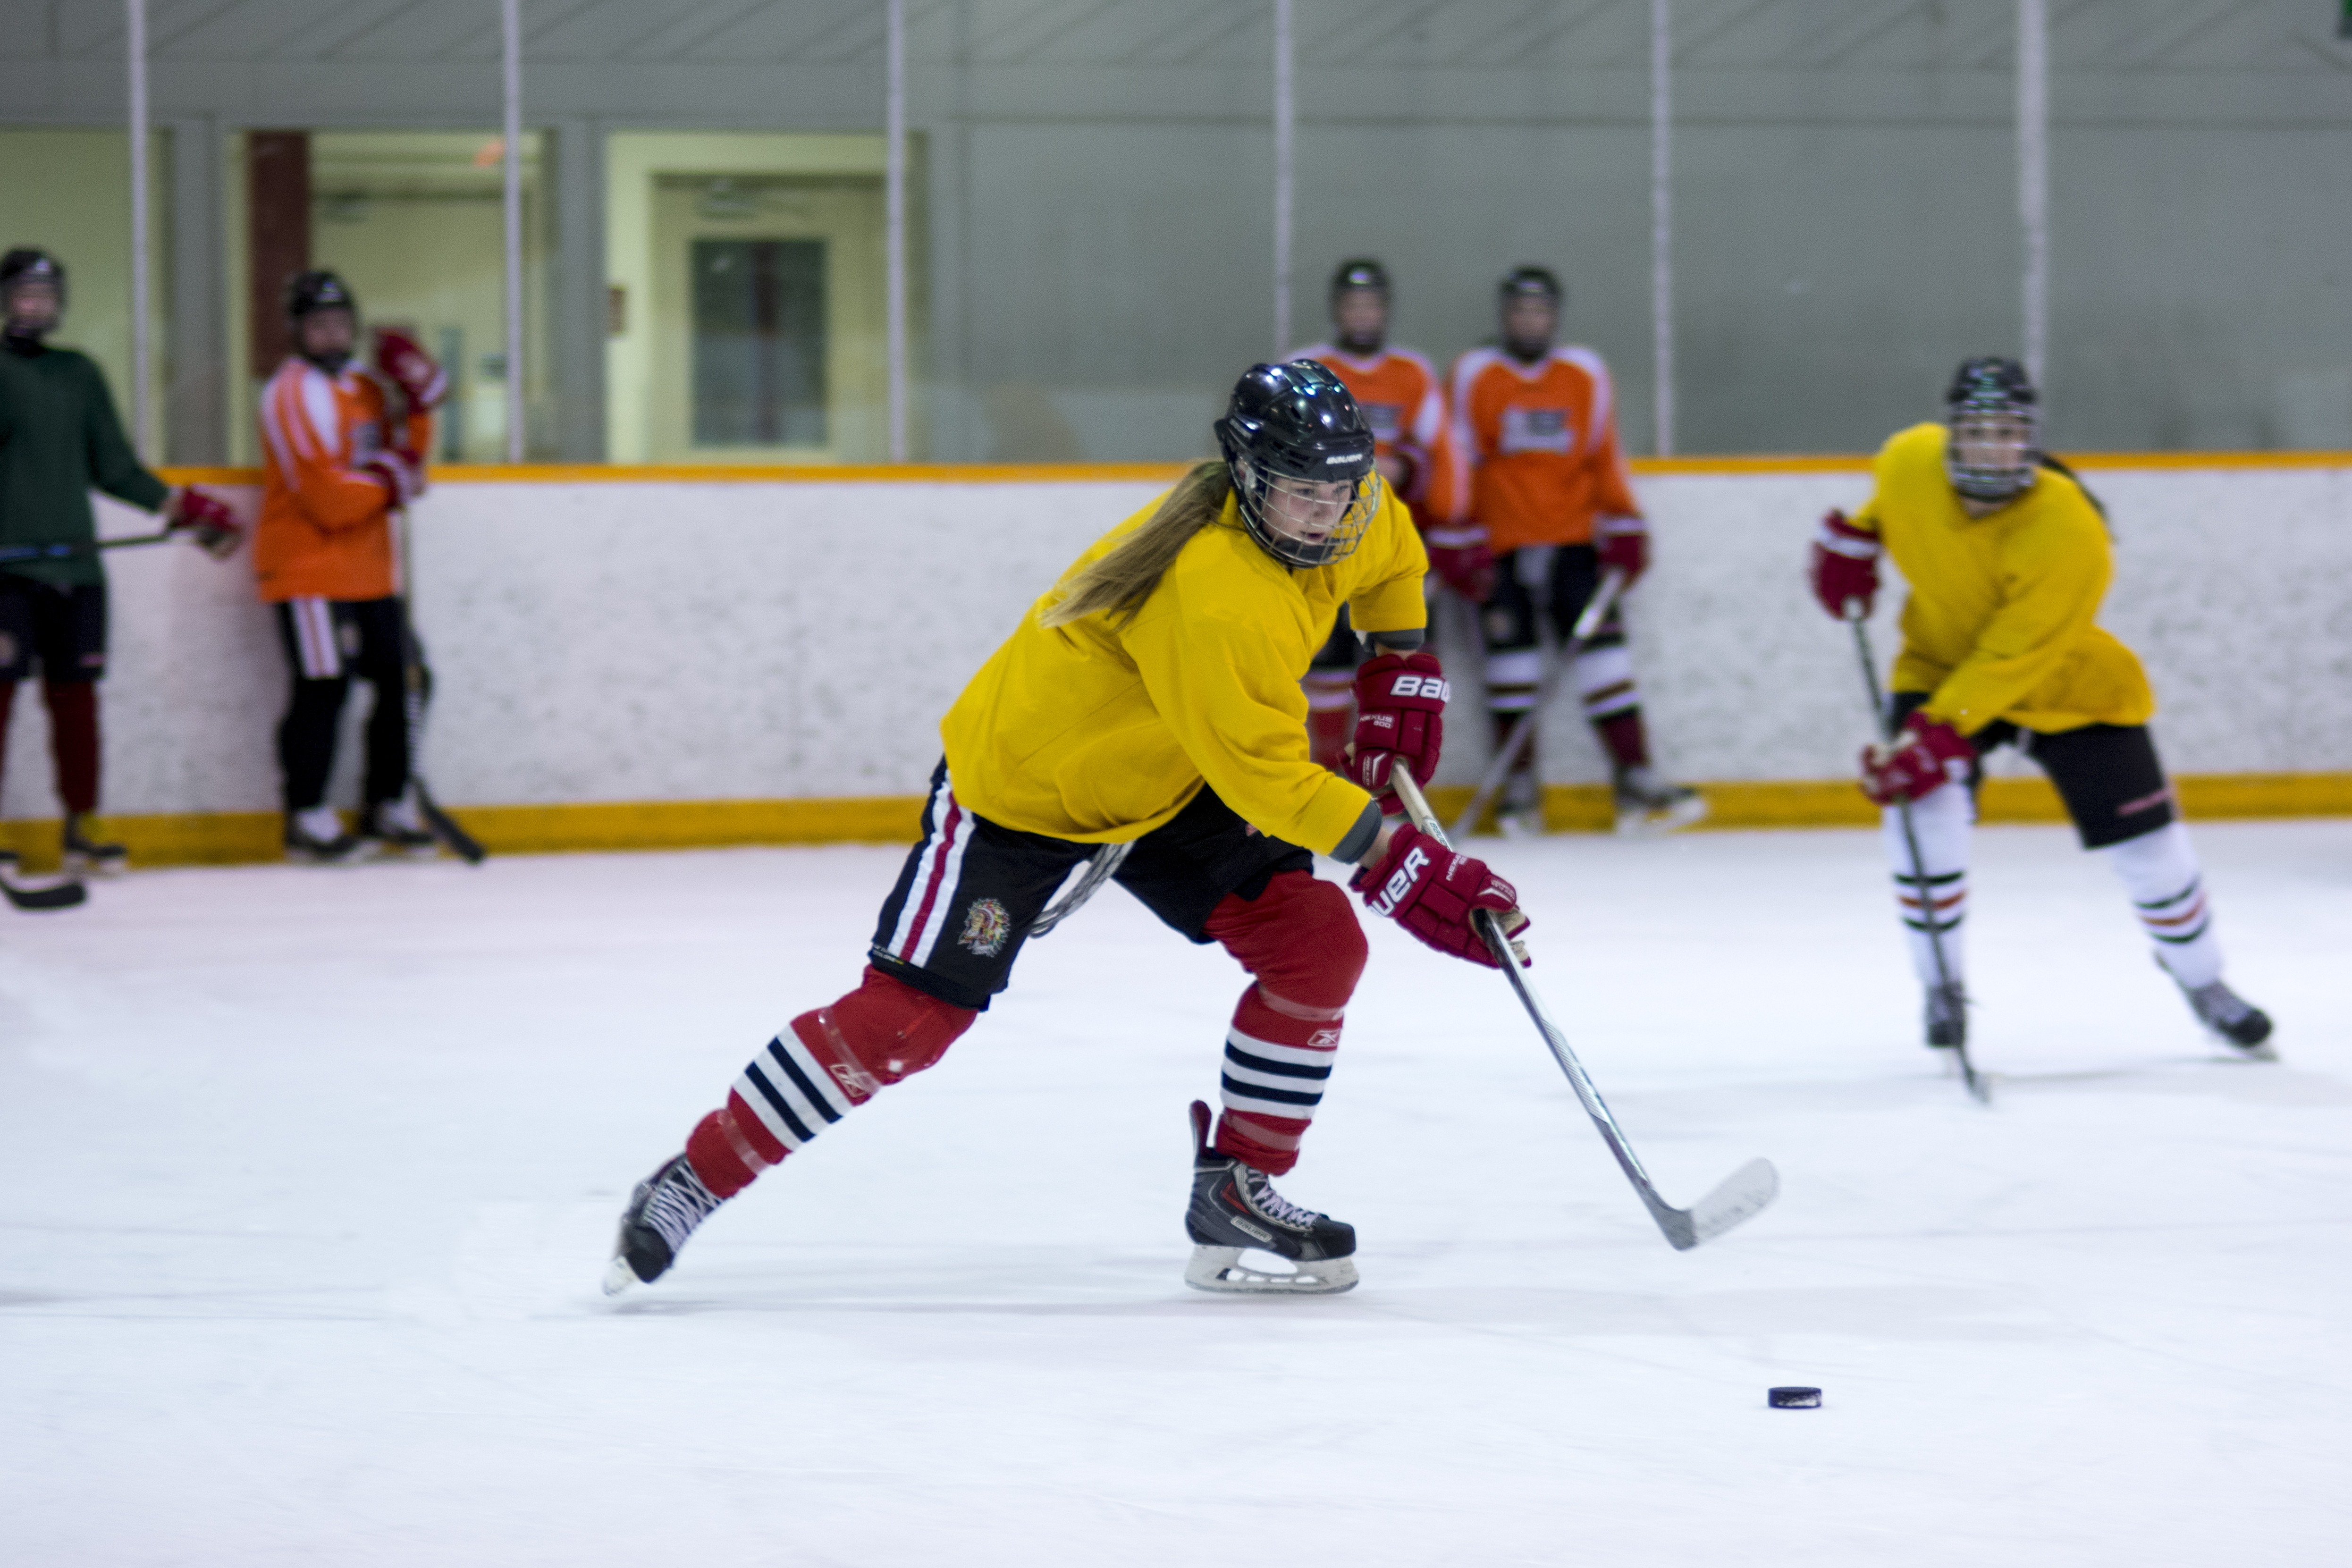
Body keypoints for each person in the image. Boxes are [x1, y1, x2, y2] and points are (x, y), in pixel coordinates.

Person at [604, 362, 1529, 1299]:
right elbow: (1267, 779)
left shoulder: (1354, 507)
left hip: (1169, 776)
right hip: (1027, 797)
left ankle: (1238, 1188)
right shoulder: (1214, 587)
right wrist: (1402, 866)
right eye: (1301, 492)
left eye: (1340, 487)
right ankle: (694, 1177)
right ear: (1247, 475)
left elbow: (1394, 558)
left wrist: (1397, 665)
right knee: (906, 1023)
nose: (1326, 514)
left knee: (1316, 944)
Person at [1812, 357, 2273, 1057]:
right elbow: (1891, 507)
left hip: (2064, 683)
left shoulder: (2069, 528)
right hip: (1938, 667)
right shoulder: (1907, 459)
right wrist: (1856, 539)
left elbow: (2011, 658)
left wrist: (1932, 740)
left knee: (2150, 849)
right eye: (1975, 432)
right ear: (1949, 435)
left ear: (2030, 439)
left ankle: (2201, 981)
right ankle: (1940, 984)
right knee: (1923, 816)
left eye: (2007, 432)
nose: (1991, 448)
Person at [0, 248, 241, 878]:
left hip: (77, 572)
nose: (36, 305)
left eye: (47, 294)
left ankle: (84, 823)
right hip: (7, 574)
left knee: (76, 701)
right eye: (25, 293)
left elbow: (113, 465)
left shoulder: (79, 373)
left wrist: (180, 507)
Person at [1444, 266, 1702, 836]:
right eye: (1520, 311)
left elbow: (1602, 454)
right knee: (1512, 669)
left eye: (1540, 312)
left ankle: (1634, 779)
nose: (1530, 321)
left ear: (1554, 317)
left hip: (1575, 543)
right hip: (1502, 545)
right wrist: (1456, 533)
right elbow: (1459, 457)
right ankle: (1519, 787)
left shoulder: (1583, 374)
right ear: (1504, 316)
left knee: (1607, 662)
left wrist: (1626, 520)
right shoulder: (1474, 375)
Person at [255, 270, 448, 862]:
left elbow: (408, 468)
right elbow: (330, 502)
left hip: (369, 572)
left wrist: (420, 402)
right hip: (309, 571)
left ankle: (385, 803)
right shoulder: (288, 395)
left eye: (341, 324)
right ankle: (306, 815)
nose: (332, 335)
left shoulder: (367, 385)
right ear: (296, 331)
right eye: (318, 325)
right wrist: (388, 479)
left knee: (408, 679)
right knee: (324, 686)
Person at [1289, 259, 1478, 772]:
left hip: (1393, 547)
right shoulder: (1308, 370)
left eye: (1372, 305)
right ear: (1337, 311)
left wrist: (1449, 523)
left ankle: (1391, 784)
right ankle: (1328, 771)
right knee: (1325, 663)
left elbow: (1443, 455)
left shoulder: (1412, 373)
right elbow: (1284, 451)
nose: (1363, 315)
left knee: (1397, 666)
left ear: (1386, 311)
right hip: (1322, 545)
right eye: (1353, 305)